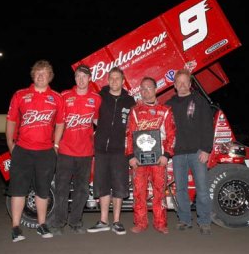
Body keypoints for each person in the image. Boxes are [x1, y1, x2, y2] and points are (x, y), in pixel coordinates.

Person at [5, 59, 64, 242]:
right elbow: (11, 121)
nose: (40, 76)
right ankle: (15, 227)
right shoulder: (20, 95)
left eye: (44, 73)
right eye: (38, 73)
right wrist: (10, 145)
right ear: (33, 75)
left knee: (43, 190)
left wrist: (55, 145)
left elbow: (61, 123)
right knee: (18, 190)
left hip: (46, 152)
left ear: (50, 76)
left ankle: (42, 224)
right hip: (22, 150)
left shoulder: (56, 97)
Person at [49, 64, 101, 235]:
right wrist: (55, 144)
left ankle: (76, 222)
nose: (81, 79)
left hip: (86, 153)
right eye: (78, 76)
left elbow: (98, 123)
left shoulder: (96, 98)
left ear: (90, 79)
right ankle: (58, 223)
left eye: (84, 76)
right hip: (65, 151)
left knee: (82, 190)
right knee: (61, 189)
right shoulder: (64, 96)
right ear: (75, 78)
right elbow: (57, 121)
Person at [87, 67, 136, 235]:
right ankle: (103, 221)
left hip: (120, 151)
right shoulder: (100, 97)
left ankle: (116, 221)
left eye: (118, 78)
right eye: (112, 78)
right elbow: (93, 117)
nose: (115, 81)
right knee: (102, 185)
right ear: (108, 80)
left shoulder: (130, 101)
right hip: (101, 149)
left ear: (123, 81)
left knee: (119, 186)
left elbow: (133, 125)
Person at [125, 76, 176, 234]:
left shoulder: (165, 111)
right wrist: (130, 156)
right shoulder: (135, 111)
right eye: (143, 89)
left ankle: (160, 223)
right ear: (140, 92)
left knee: (159, 192)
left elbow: (172, 135)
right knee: (139, 191)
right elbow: (128, 134)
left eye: (149, 88)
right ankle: (140, 223)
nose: (146, 91)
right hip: (139, 160)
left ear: (155, 89)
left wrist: (166, 155)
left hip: (158, 160)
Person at [165, 69, 213, 235]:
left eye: (186, 82)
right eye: (179, 82)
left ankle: (204, 221)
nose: (182, 85)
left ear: (190, 84)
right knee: (181, 190)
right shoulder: (169, 105)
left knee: (202, 189)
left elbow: (208, 126)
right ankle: (185, 220)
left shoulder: (199, 101)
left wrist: (206, 149)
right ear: (175, 85)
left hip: (197, 153)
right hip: (177, 154)